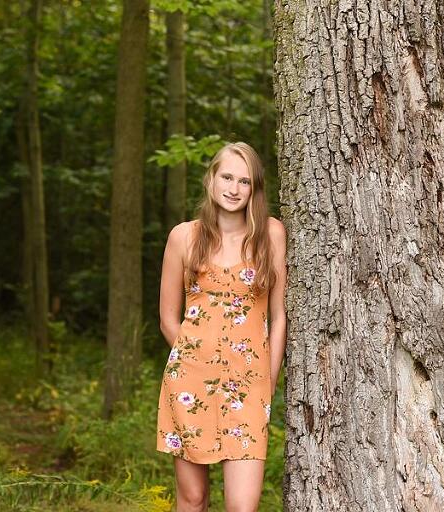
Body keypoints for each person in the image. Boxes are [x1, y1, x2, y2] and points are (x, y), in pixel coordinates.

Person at [155, 141, 287, 512]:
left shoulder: (271, 235)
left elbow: (278, 318)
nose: (233, 188)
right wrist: (195, 360)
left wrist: (268, 379)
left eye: (244, 181)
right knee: (193, 499)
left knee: (242, 506)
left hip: (249, 385)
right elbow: (168, 317)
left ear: (254, 190)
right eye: (226, 177)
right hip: (190, 385)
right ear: (211, 180)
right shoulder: (184, 236)